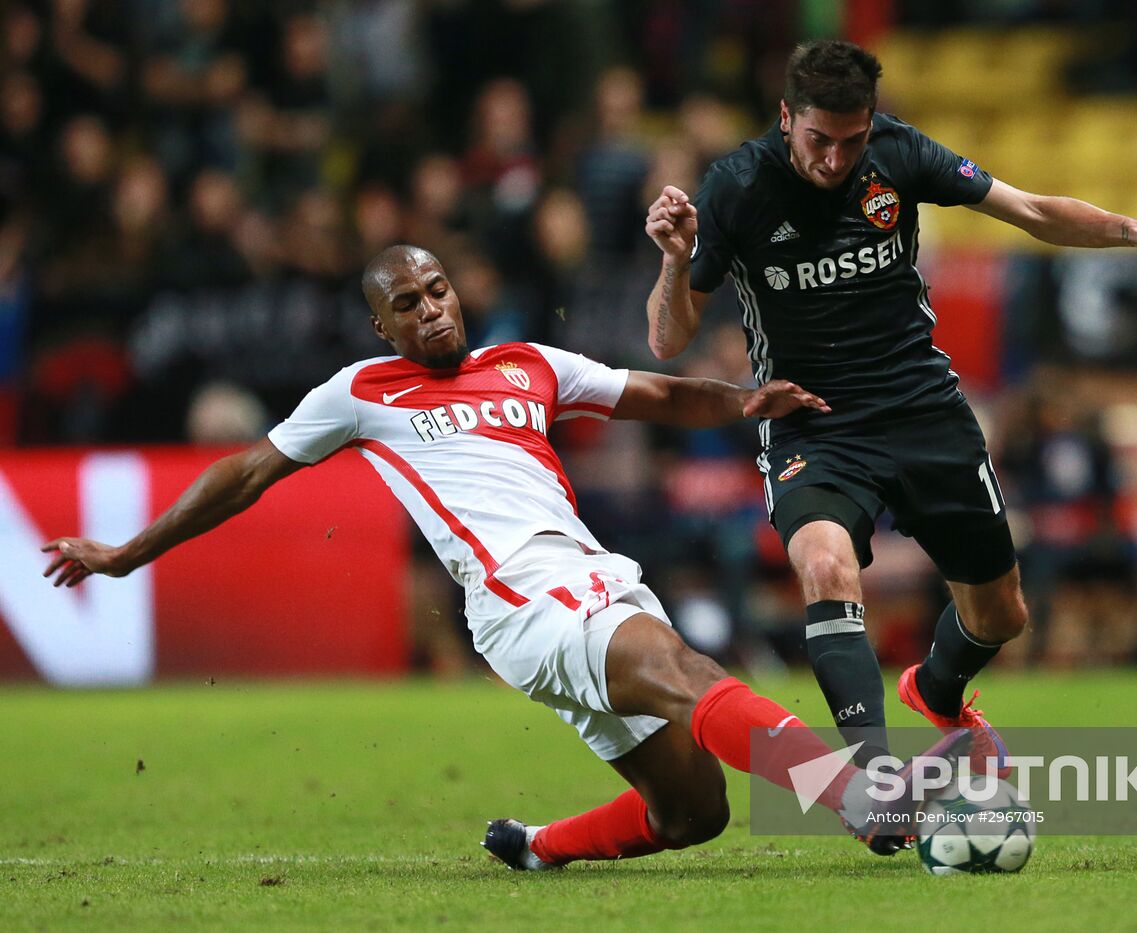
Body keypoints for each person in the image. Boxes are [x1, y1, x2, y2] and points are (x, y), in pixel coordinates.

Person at [39, 244, 936, 868]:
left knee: (692, 815)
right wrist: (126, 552)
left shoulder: (525, 362)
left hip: (590, 577)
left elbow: (652, 392)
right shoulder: (360, 391)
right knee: (687, 672)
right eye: (407, 303)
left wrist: (743, 402)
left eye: (437, 290)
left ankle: (537, 846)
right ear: (379, 326)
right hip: (522, 600)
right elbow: (246, 473)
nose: (431, 309)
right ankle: (855, 798)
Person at [644, 39, 1137, 773]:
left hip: (923, 409)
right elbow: (667, 339)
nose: (835, 159)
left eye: (852, 141)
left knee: (1001, 613)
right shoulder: (736, 187)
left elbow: (1031, 210)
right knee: (823, 566)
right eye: (819, 140)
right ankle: (876, 781)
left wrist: (1135, 231)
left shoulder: (899, 154)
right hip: (814, 422)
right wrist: (672, 259)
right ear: (786, 118)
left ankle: (937, 690)